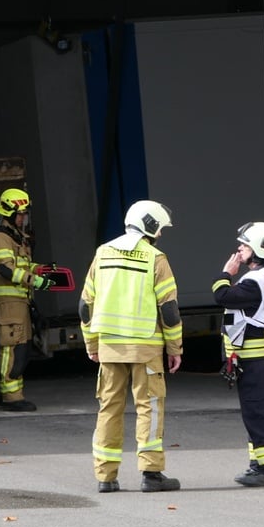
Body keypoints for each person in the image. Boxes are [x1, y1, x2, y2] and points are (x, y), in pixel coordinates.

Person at [80, 200, 183, 494]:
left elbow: (85, 305)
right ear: (150, 226)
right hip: (146, 348)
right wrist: (175, 348)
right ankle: (151, 474)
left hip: (110, 347)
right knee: (148, 407)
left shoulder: (103, 254)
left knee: (108, 408)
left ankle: (105, 477)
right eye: (160, 229)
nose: (160, 235)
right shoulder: (156, 258)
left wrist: (91, 342)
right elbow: (170, 310)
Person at [212, 221, 264, 487]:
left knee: (259, 413)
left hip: (255, 358)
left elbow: (222, 296)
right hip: (259, 357)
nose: (239, 248)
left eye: (245, 245)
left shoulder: (253, 283)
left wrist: (226, 273)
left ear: (259, 249)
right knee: (257, 412)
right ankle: (260, 463)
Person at [0, 188, 54, 412]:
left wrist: (41, 270)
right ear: (9, 212)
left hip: (21, 303)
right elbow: (6, 269)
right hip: (9, 305)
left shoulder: (16, 237)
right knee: (12, 349)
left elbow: (21, 265)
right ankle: (11, 397)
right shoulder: (0, 238)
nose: (23, 217)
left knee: (22, 349)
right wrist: (34, 281)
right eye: (20, 213)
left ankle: (13, 393)